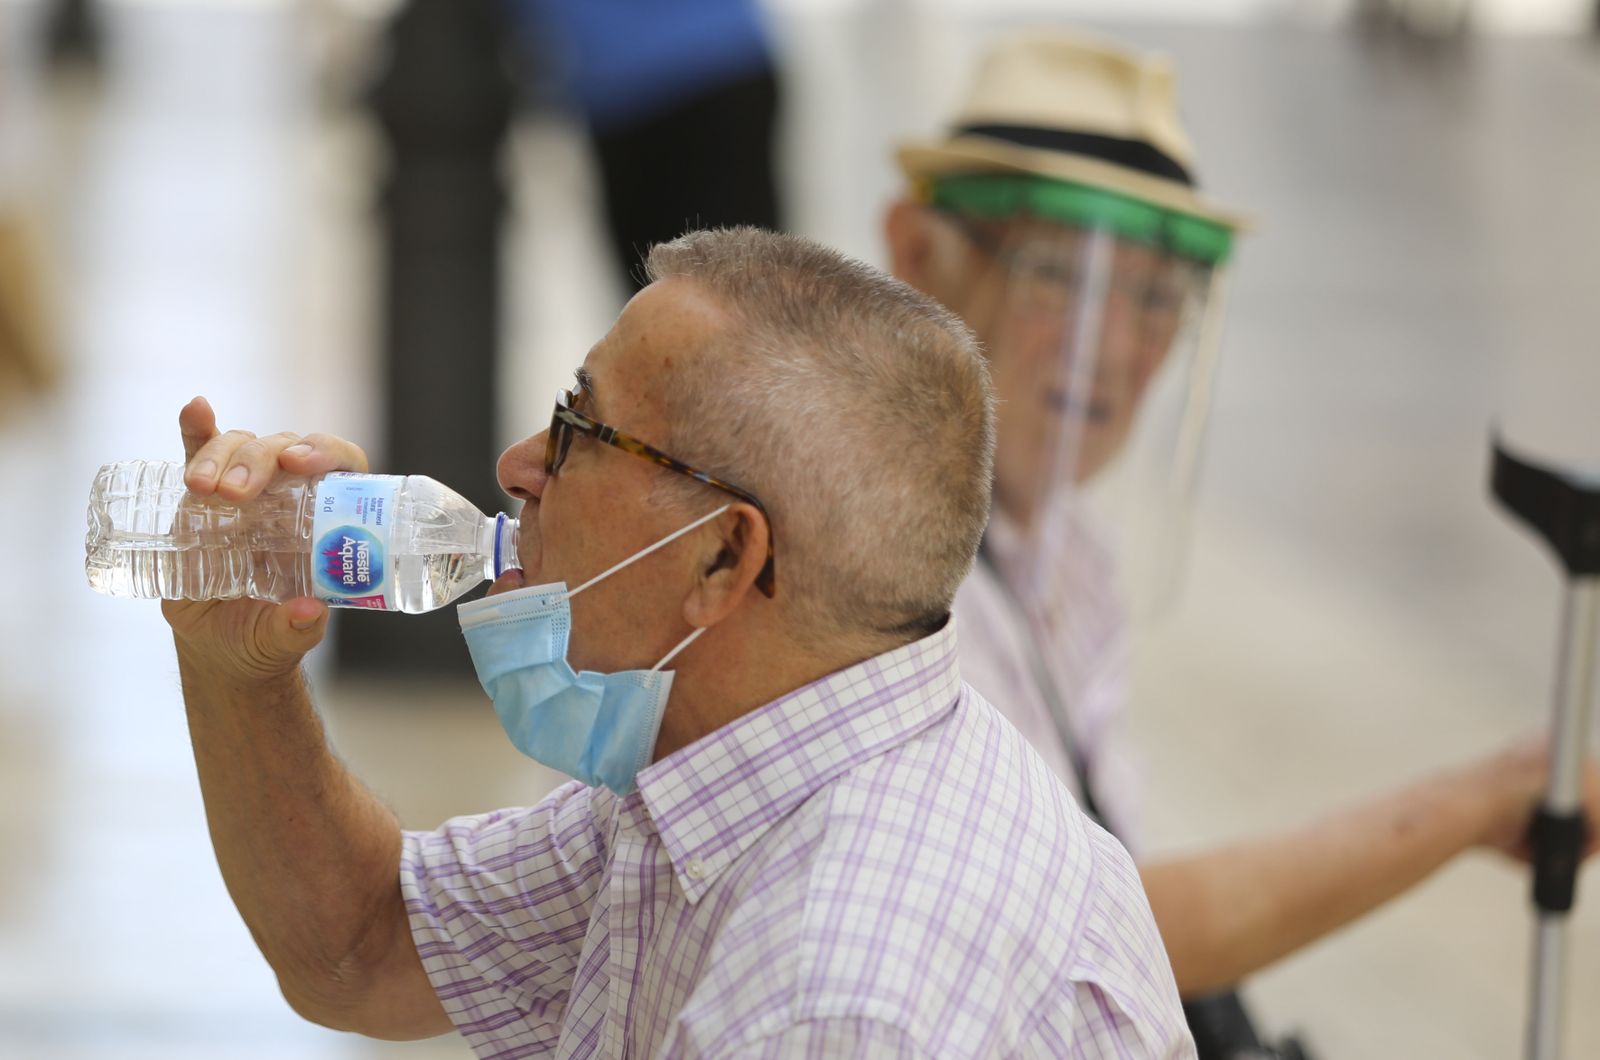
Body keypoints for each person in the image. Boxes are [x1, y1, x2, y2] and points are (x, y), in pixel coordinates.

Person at [160, 228, 1195, 1056]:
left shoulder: (834, 1005)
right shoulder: (737, 765)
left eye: (577, 430)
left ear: (722, 560)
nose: (517, 464)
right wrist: (235, 667)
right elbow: (366, 946)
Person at [883, 30, 1600, 1003]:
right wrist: (1465, 807)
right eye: (1063, 272)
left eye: (1157, 294)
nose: (1116, 344)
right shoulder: (890, 572)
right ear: (915, 251)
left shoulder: (1064, 549)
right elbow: (1087, 941)